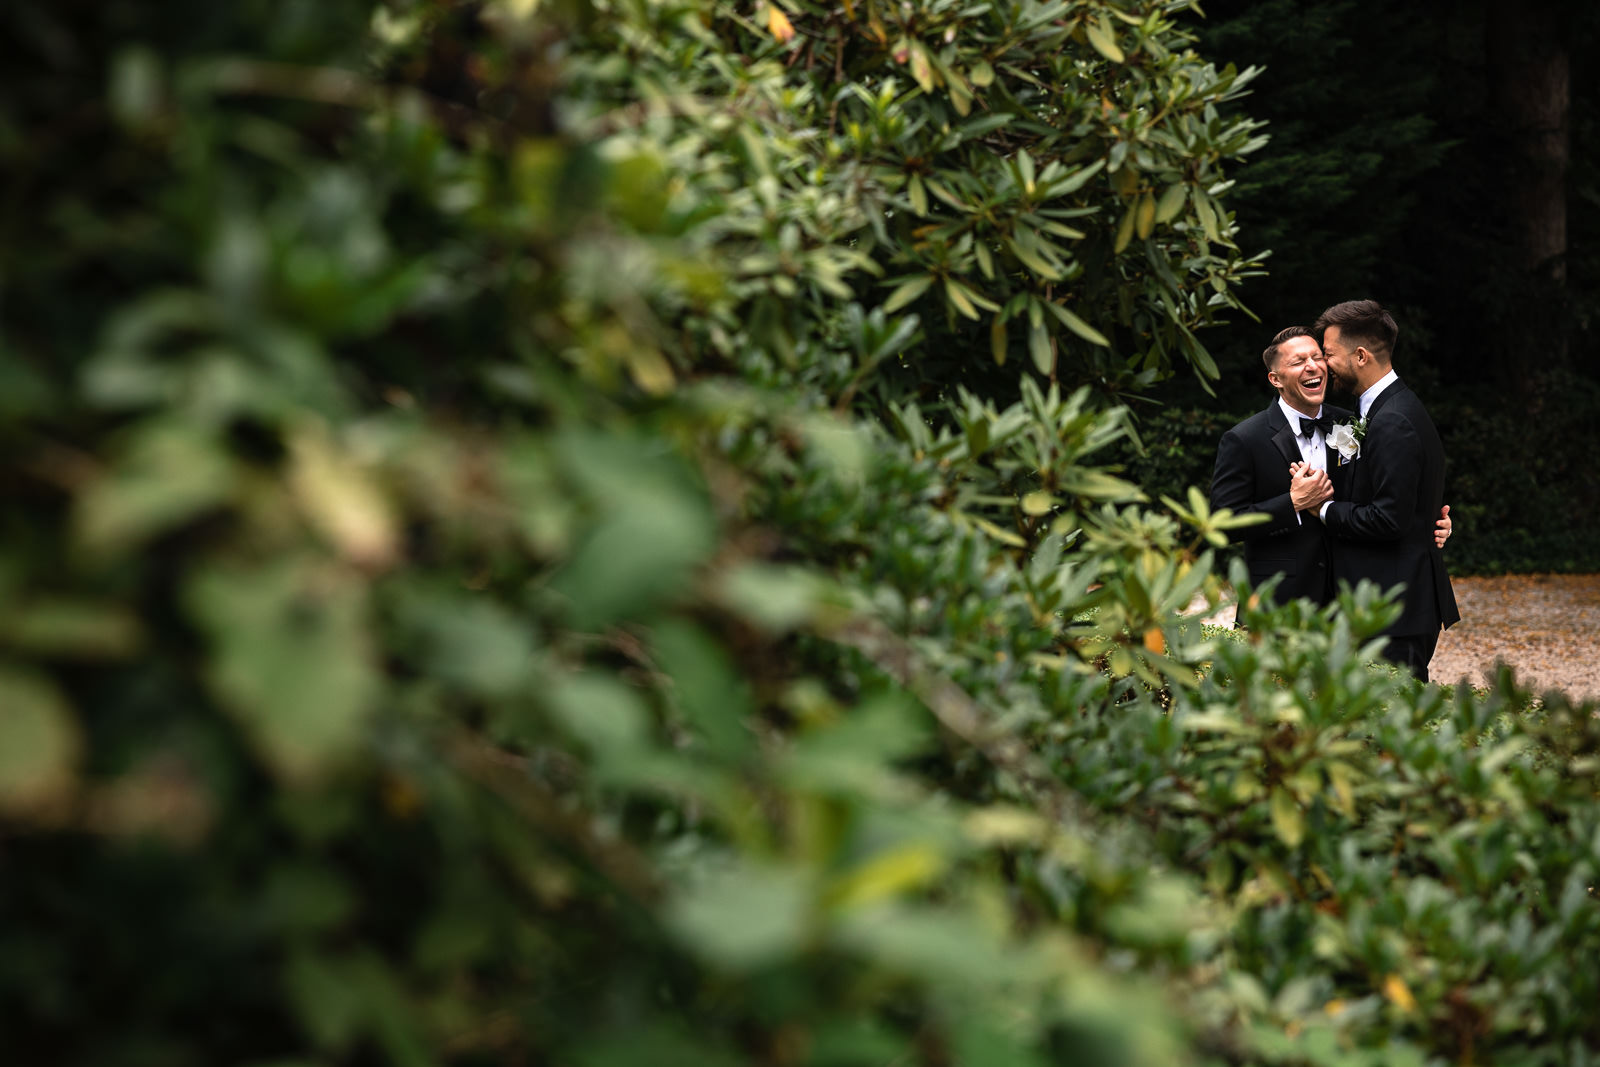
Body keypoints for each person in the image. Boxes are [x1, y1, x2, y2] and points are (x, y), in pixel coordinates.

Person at [1209, 325, 1452, 615]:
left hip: (1348, 600)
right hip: (1279, 602)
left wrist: (1429, 522)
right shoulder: (1245, 439)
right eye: (1298, 361)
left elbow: (1389, 491)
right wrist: (1293, 503)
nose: (1313, 366)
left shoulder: (1352, 424)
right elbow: (1221, 525)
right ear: (1275, 378)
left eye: (1318, 357)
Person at [1311, 299, 1460, 681]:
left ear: (1360, 356)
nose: (1323, 365)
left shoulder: (1393, 420)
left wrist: (1322, 510)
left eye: (1328, 354)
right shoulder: (1383, 410)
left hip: (1396, 608)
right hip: (1390, 602)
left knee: (1391, 730)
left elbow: (1389, 518)